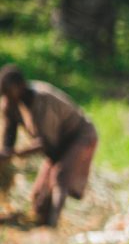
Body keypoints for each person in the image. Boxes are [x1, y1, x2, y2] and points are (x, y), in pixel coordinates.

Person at [0, 64, 99, 227]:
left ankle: (53, 226)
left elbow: (46, 143)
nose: (6, 98)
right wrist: (5, 152)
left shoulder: (42, 99)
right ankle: (41, 222)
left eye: (8, 93)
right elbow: (9, 135)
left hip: (78, 135)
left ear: (20, 86)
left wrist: (17, 153)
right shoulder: (10, 104)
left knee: (60, 175)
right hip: (56, 144)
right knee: (39, 197)